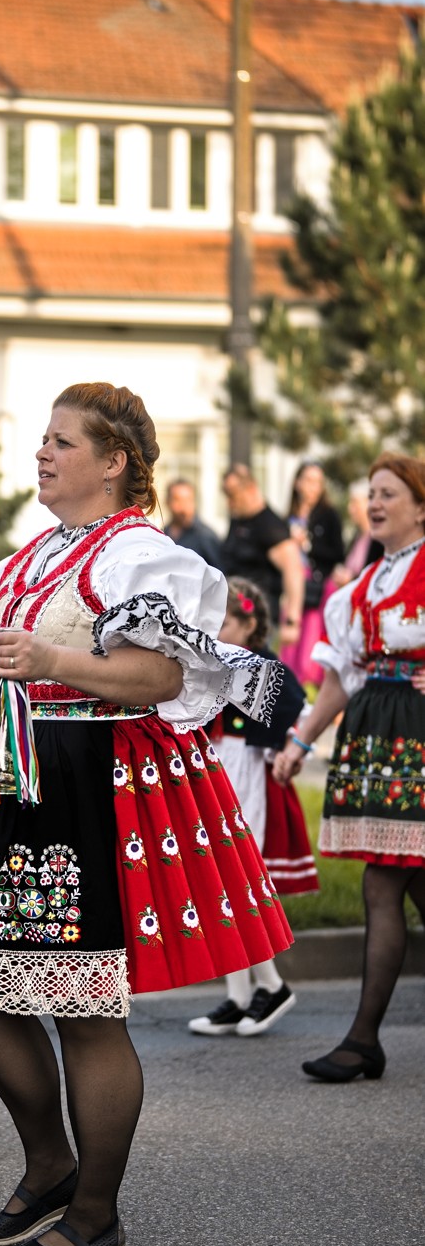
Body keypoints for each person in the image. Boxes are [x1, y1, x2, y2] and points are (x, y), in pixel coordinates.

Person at [0, 383, 293, 1246]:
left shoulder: (143, 556)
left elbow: (155, 679)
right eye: (43, 438)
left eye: (62, 441)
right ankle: (47, 1166)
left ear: (112, 463)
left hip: (81, 787)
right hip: (1, 779)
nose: (42, 452)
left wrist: (51, 659)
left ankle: (97, 1213)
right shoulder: (27, 559)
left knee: (82, 1008)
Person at [274, 452, 425, 1083]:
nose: (376, 502)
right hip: (377, 735)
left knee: (388, 881)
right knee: (393, 880)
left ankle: (363, 1041)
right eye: (372, 492)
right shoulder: (362, 587)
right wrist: (299, 742)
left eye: (390, 493)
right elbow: (340, 679)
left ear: (422, 507)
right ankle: (363, 1042)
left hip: (418, 736)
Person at [188, 576, 317, 1039]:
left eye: (225, 622)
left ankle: (273, 986)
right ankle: (241, 995)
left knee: (238, 882)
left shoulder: (263, 667)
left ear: (250, 623)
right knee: (220, 885)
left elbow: (300, 713)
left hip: (249, 779)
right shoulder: (209, 663)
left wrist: (286, 750)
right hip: (217, 770)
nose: (217, 630)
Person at [221, 464, 306, 646]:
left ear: (251, 489)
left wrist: (292, 621)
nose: (229, 502)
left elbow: (293, 569)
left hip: (257, 624)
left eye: (232, 495)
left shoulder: (269, 525)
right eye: (226, 494)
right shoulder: (238, 520)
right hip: (234, 619)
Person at [279, 461, 345, 686]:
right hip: (291, 589)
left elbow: (337, 553)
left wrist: (307, 545)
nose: (312, 487)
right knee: (290, 649)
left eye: (317, 482)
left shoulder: (329, 515)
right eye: (308, 480)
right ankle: (291, 687)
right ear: (297, 483)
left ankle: (312, 690)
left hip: (316, 590)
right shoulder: (288, 517)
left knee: (310, 647)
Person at [332, 479, 381, 588]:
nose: (350, 508)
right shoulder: (357, 536)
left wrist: (351, 579)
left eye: (355, 503)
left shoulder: (379, 541)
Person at [164, 478, 222, 570]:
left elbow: (220, 573)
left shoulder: (206, 536)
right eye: (177, 500)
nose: (183, 507)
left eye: (188, 500)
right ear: (167, 502)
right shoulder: (163, 533)